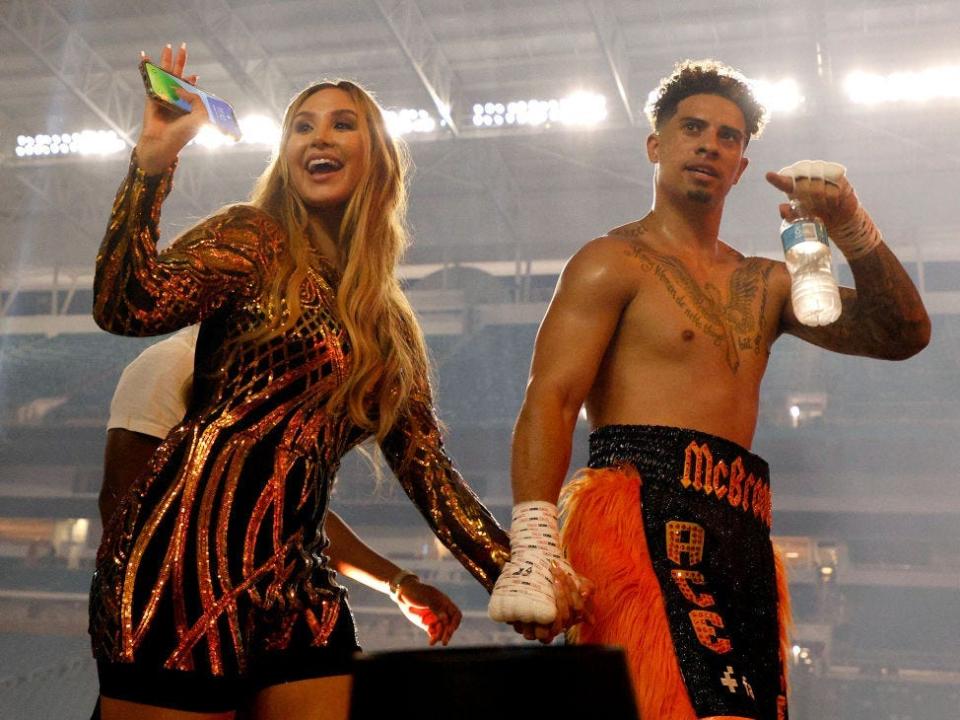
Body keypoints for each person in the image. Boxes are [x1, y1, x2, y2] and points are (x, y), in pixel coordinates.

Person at [488, 59, 930, 720]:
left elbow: (902, 333)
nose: (710, 144)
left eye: (729, 137)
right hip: (637, 514)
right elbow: (549, 398)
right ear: (656, 145)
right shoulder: (611, 262)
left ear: (742, 166)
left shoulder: (769, 282)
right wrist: (532, 542)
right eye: (693, 128)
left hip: (741, 529)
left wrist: (851, 225)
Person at [90, 43, 510, 720]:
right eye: (302, 125)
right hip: (182, 573)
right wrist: (153, 162)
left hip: (298, 584)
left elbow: (430, 474)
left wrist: (516, 577)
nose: (319, 135)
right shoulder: (254, 238)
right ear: (286, 156)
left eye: (343, 123)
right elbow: (126, 305)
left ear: (378, 156)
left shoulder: (386, 324)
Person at [101, 326, 463, 649]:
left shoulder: (291, 371)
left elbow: (291, 514)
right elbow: (123, 507)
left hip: (290, 615)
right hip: (188, 623)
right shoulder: (172, 363)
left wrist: (398, 583)